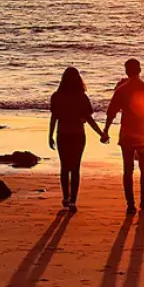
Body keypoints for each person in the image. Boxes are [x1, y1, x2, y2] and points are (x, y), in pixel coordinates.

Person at [101, 58, 144, 214]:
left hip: (127, 134)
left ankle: (130, 204)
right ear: (140, 70)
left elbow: (111, 113)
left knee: (128, 170)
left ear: (126, 71)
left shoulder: (121, 90)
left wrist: (106, 131)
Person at [49, 67, 107, 212]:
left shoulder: (57, 96)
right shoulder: (81, 97)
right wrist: (101, 133)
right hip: (77, 135)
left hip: (62, 134)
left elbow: (54, 117)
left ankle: (65, 197)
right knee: (75, 168)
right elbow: (88, 118)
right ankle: (73, 200)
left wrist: (49, 135)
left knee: (64, 167)